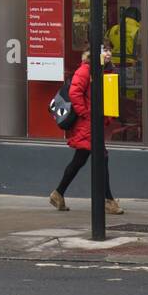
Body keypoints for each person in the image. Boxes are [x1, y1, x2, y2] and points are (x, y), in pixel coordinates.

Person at [49, 44, 123, 215]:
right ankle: (108, 201)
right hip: (87, 123)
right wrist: (86, 114)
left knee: (79, 160)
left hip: (93, 122)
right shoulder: (86, 70)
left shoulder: (105, 70)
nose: (108, 53)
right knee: (101, 158)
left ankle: (58, 193)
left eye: (110, 50)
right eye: (104, 50)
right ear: (94, 54)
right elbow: (75, 92)